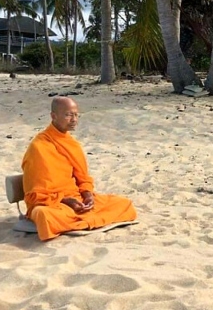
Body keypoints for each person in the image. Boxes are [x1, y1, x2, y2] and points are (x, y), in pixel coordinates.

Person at [21, 97, 137, 241]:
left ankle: (80, 220)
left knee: (124, 204)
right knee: (43, 215)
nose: (74, 119)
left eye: (76, 115)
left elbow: (83, 178)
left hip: (77, 199)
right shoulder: (38, 147)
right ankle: (85, 220)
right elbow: (35, 194)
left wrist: (88, 195)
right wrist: (65, 201)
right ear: (53, 116)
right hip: (53, 204)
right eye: (68, 115)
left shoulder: (71, 144)